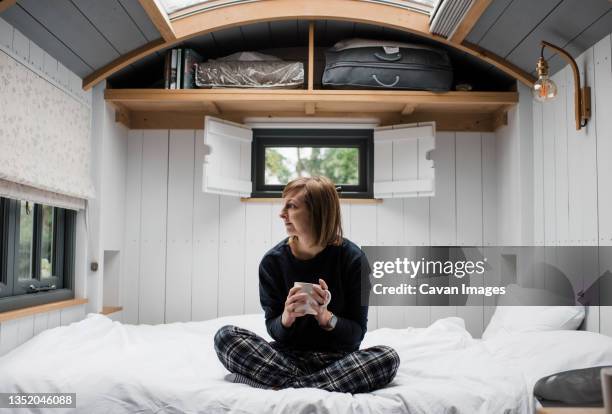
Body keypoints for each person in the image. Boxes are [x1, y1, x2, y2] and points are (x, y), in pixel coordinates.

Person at [214, 176, 399, 393]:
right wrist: (286, 318)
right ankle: (315, 384)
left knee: (388, 357)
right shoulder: (272, 262)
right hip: (286, 357)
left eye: (291, 206)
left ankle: (288, 384)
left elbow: (356, 334)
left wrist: (326, 318)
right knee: (225, 337)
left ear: (317, 211)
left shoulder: (354, 260)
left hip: (338, 360)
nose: (282, 214)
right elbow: (273, 329)